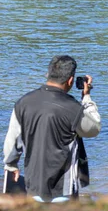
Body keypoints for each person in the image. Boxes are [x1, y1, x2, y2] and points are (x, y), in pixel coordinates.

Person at [3, 55, 101, 202]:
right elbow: (93, 129)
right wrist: (86, 99)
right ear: (70, 80)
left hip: (33, 185)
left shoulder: (23, 102)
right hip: (63, 188)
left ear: (48, 74)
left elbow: (13, 139)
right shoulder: (73, 108)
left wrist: (11, 165)